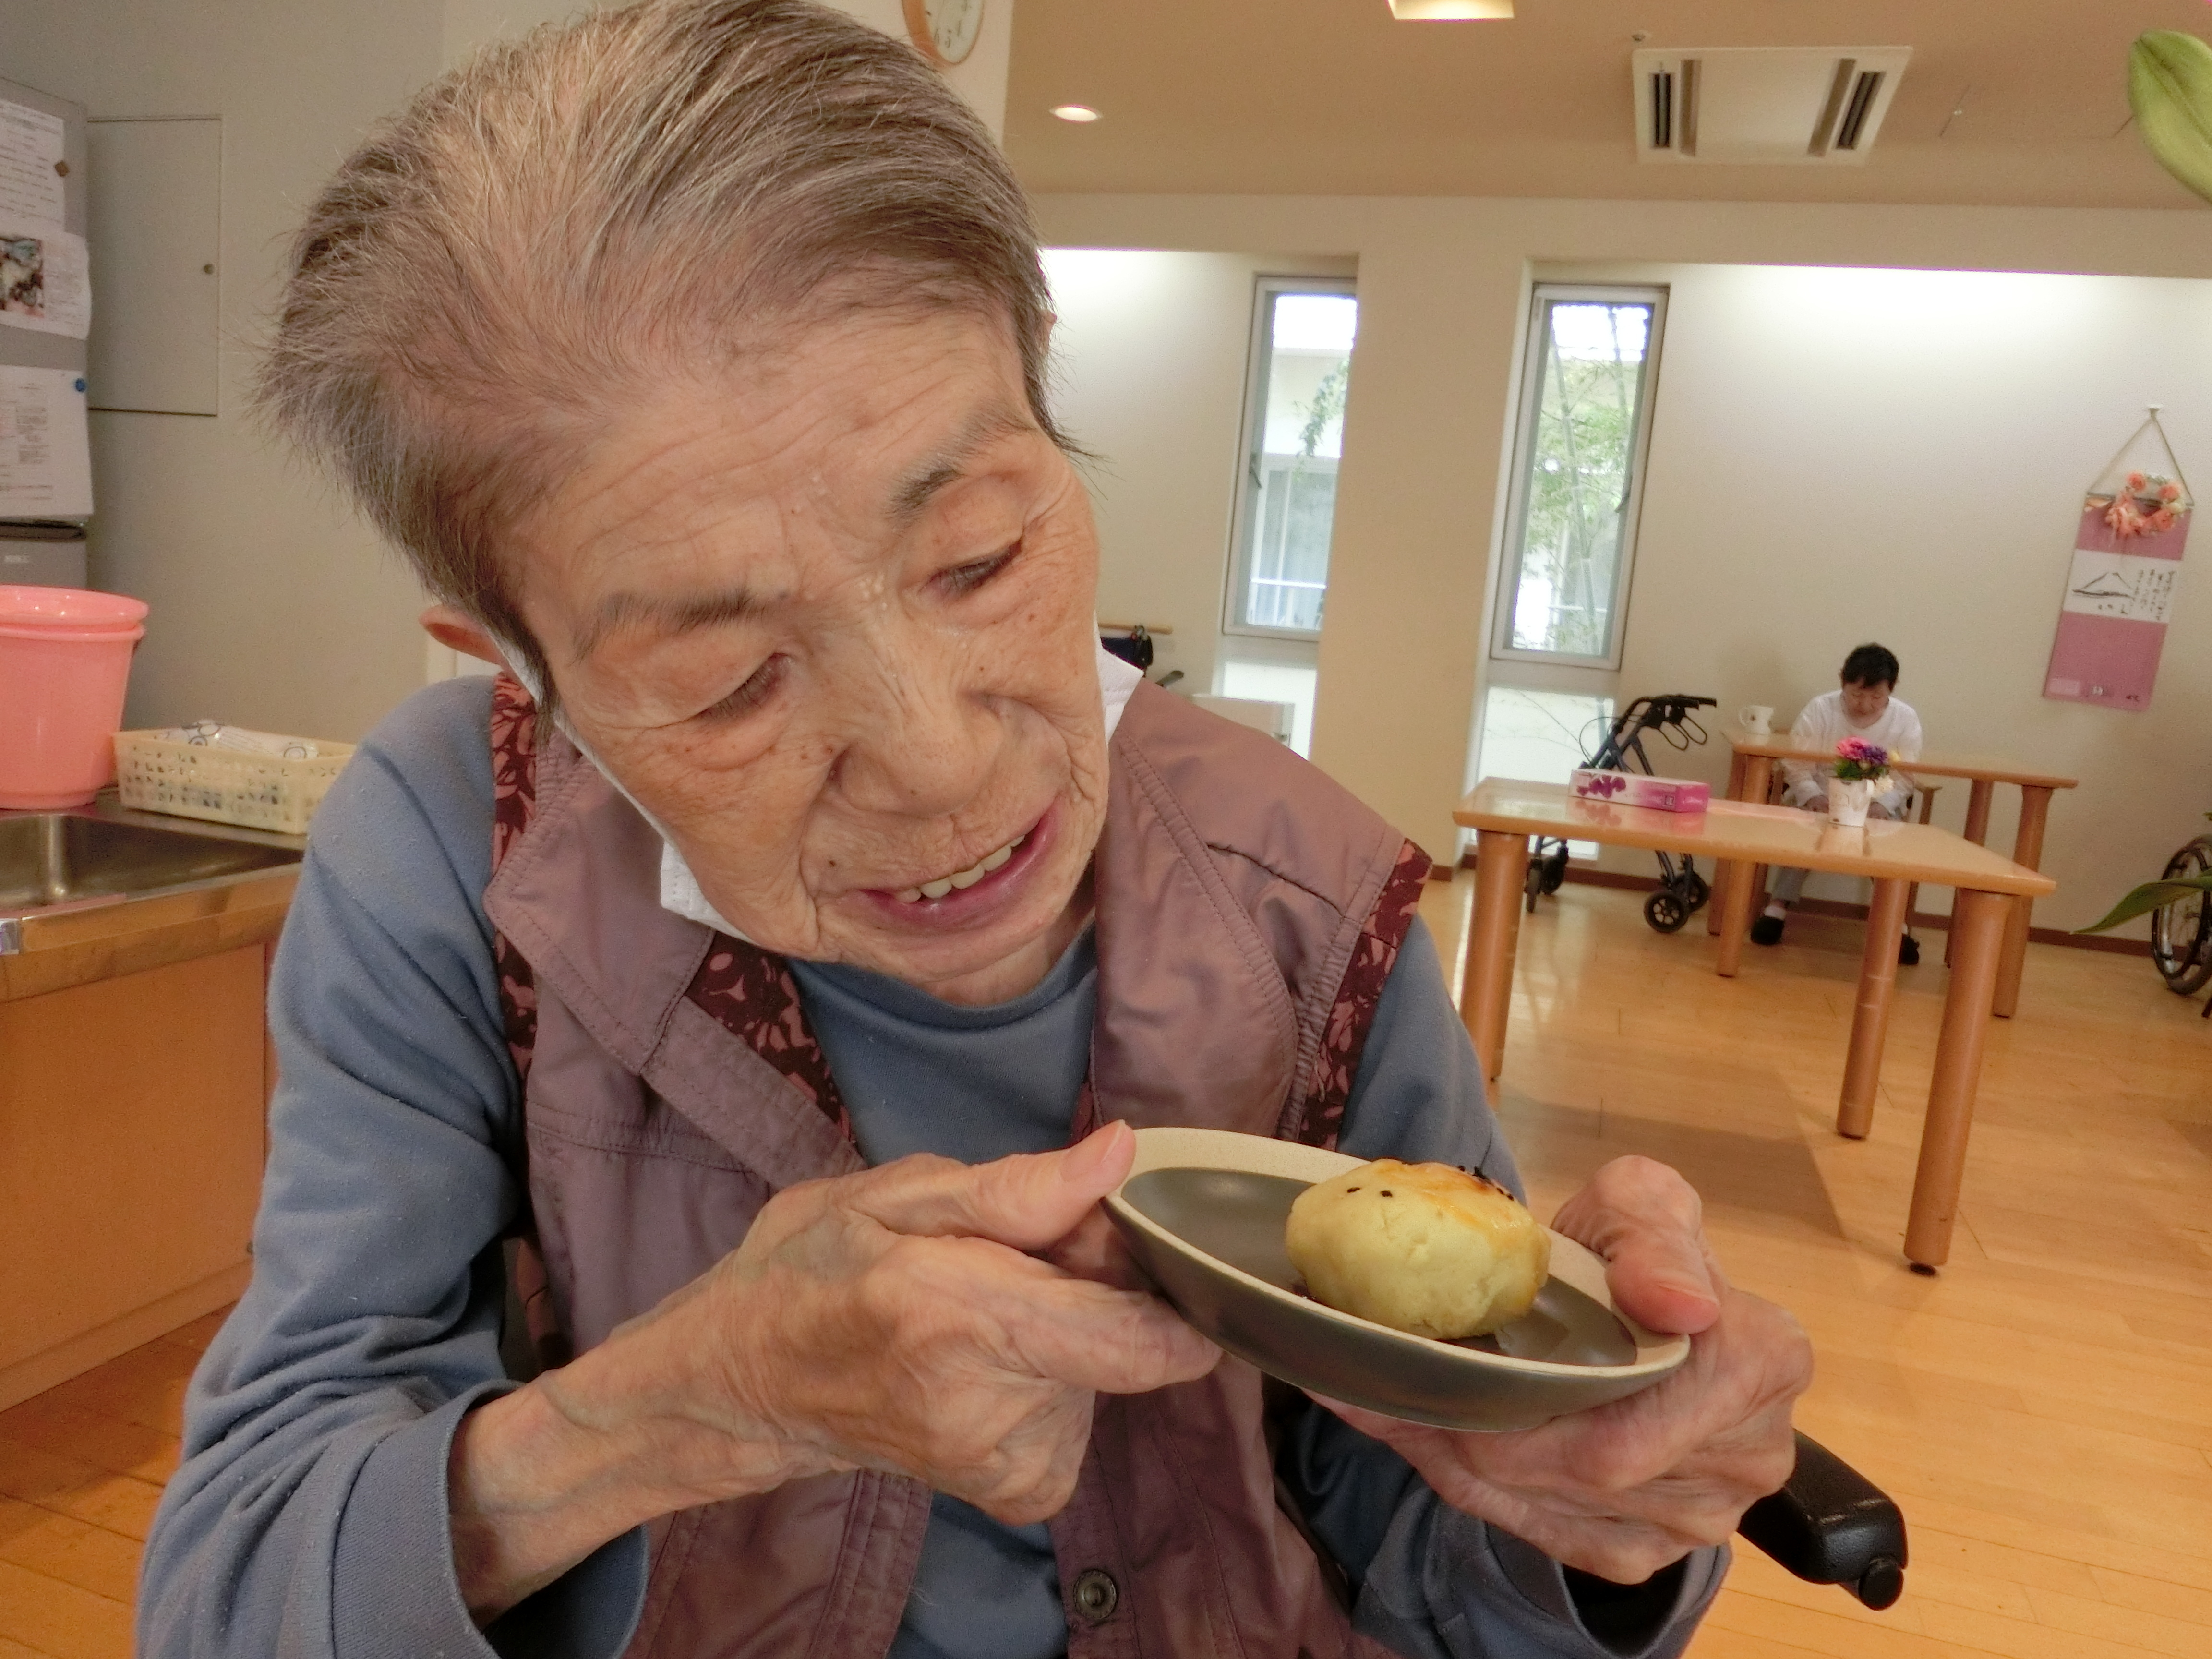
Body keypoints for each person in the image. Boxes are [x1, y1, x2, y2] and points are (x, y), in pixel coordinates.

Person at [136, 5, 1812, 1656]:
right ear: (525, 676)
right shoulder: (449, 849)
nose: (938, 770)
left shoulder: (1298, 898)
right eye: (727, 682)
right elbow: (228, 1592)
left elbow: (1433, 1566)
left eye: (981, 558)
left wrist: (1596, 1503)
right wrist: (688, 1402)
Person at [1751, 643, 1924, 950]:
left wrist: (1883, 805)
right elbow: (1796, 762)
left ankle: (1896, 923)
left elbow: (1905, 776)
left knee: (1889, 843)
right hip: (1821, 791)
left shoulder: (1905, 718)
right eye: (1857, 694)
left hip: (1877, 797)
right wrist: (1812, 796)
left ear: (1891, 691)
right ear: (1842, 682)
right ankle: (1777, 908)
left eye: (1876, 697)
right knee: (1802, 830)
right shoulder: (1820, 709)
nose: (1866, 704)